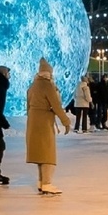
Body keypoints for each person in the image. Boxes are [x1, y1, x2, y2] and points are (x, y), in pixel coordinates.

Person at [26, 57, 71, 195]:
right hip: (44, 122)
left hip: (33, 122)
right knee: (47, 153)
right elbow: (56, 105)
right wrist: (65, 121)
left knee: (40, 153)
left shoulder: (32, 86)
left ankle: (41, 181)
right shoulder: (47, 85)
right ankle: (47, 183)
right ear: (49, 73)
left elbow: (27, 106)